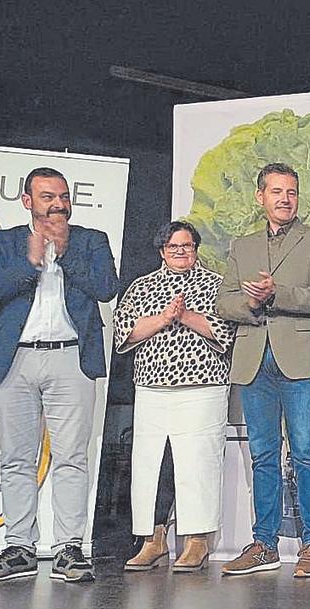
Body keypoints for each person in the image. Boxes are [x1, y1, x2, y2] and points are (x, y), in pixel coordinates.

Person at [0, 167, 120, 583]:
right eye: (47, 196)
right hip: (14, 360)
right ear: (28, 201)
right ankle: (18, 547)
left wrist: (65, 251)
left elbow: (107, 288)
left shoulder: (91, 240)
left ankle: (69, 548)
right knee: (17, 459)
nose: (57, 204)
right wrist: (31, 261)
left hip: (70, 358)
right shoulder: (4, 242)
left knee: (72, 456)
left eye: (63, 196)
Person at [215, 163, 310, 577]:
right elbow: (223, 302)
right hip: (253, 358)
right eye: (276, 192)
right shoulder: (241, 246)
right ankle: (264, 543)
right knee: (263, 454)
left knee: (305, 451)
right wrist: (251, 302)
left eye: (292, 192)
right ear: (260, 196)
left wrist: (275, 293)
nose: (285, 199)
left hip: (300, 356)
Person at [114, 221, 236, 573]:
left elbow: (223, 331)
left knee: (198, 463)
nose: (180, 252)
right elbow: (126, 330)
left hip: (202, 386)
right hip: (152, 388)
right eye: (173, 246)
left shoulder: (216, 284)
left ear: (196, 249)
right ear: (161, 251)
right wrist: (165, 318)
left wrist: (185, 316)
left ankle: (197, 542)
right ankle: (153, 540)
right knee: (153, 464)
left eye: (187, 245)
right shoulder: (142, 286)